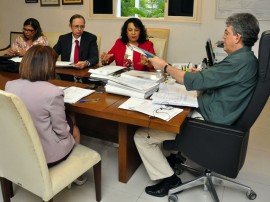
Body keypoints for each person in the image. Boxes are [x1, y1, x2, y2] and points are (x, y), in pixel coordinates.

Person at [134, 13, 260, 197]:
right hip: (217, 113)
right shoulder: (246, 59)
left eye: (226, 33)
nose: (223, 37)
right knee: (177, 100)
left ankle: (169, 179)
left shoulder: (239, 62)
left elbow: (199, 80)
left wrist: (165, 66)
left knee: (142, 135)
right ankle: (173, 157)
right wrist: (202, 75)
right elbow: (222, 78)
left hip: (210, 122)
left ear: (237, 37)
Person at [5, 45, 86, 185]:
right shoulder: (53, 93)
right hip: (45, 155)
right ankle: (76, 176)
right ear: (49, 66)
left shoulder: (10, 85)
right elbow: (62, 132)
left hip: (20, 150)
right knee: (75, 129)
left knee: (68, 118)